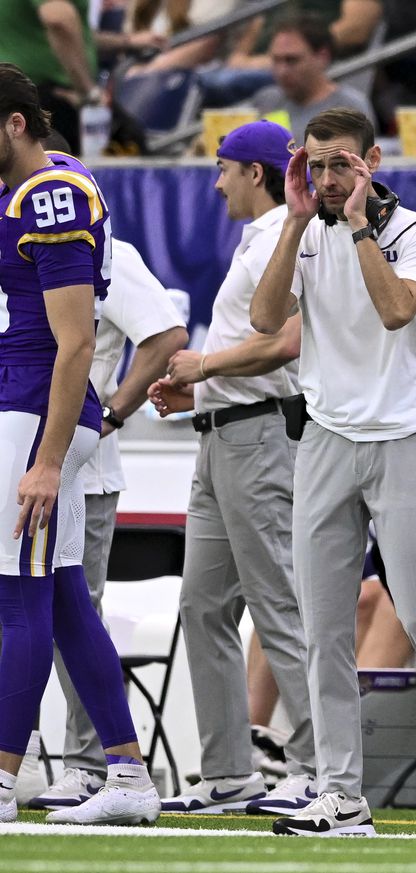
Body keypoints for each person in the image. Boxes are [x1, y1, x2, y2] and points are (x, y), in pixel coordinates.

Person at [249, 107, 416, 838]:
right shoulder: (304, 230)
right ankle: (341, 792)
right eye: (316, 165)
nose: (329, 179)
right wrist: (295, 223)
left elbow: (399, 309)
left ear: (373, 161)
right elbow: (266, 318)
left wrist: (362, 226)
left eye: (342, 164)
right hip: (327, 441)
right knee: (323, 624)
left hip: (404, 437)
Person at [143, 120, 319, 818]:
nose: (216, 184)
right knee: (202, 606)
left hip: (261, 440)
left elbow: (284, 342)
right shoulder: (257, 238)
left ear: (255, 170)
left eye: (223, 168)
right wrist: (201, 390)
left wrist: (207, 367)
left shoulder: (293, 233)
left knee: (278, 603)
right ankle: (227, 771)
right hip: (219, 435)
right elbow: (256, 351)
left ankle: (318, 767)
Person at [0, 63, 160, 827]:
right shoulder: (31, 188)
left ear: (16, 123)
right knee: (61, 599)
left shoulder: (52, 196)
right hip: (22, 401)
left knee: (16, 594)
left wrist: (50, 458)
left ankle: (1, 777)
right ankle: (127, 772)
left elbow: (74, 343)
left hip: (33, 406)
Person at [29, 232, 188, 809]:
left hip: (79, 468)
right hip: (15, 457)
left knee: (73, 613)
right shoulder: (13, 243)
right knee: (21, 613)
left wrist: (112, 412)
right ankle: (22, 755)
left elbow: (167, 334)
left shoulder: (108, 251)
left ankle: (94, 763)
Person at [250, 14, 376, 144]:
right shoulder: (266, 101)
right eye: (276, 60)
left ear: (322, 57)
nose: (282, 71)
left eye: (292, 60)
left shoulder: (350, 108)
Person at [0, 1, 101, 153]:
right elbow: (58, 20)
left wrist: (128, 41)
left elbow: (78, 33)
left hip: (21, 91)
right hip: (48, 97)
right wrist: (88, 91)